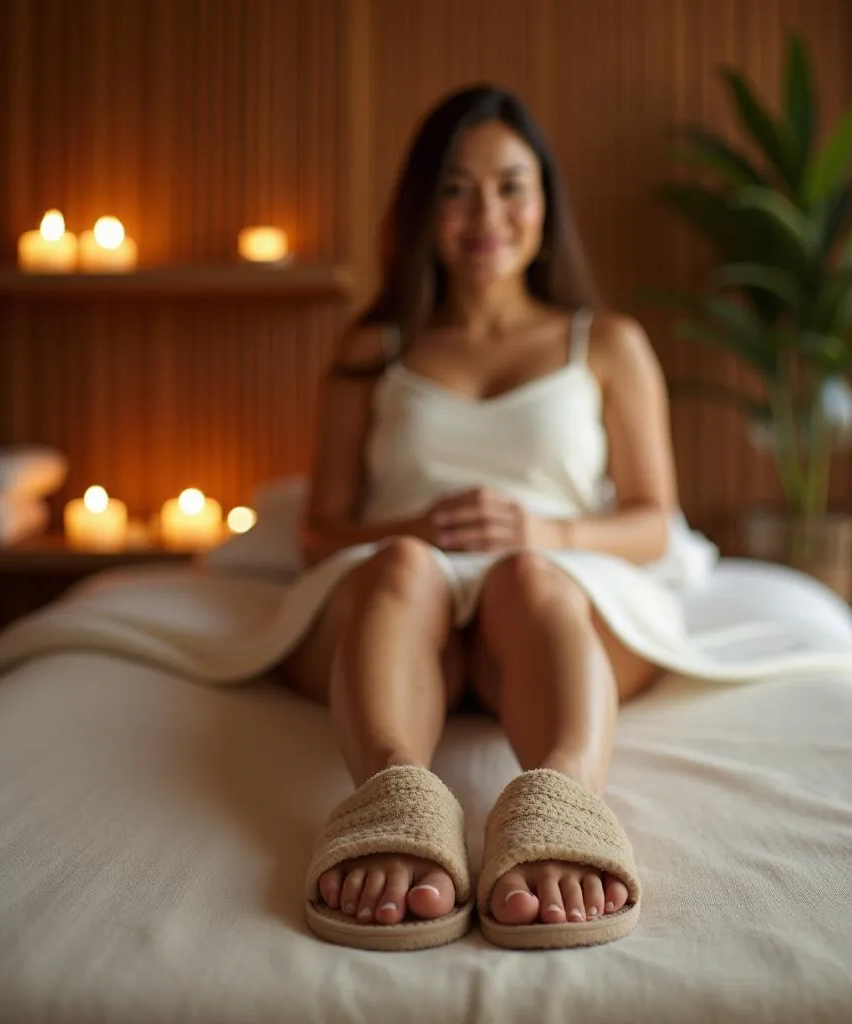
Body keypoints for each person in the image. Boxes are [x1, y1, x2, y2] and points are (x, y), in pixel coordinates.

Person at [286, 83, 678, 952]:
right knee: (399, 567)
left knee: (525, 577)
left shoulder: (605, 343)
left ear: (545, 202)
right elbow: (319, 528)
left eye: (510, 185)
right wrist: (412, 530)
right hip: (401, 599)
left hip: (546, 592)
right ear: (424, 208)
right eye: (457, 189)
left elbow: (655, 521)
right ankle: (394, 789)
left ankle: (565, 798)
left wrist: (549, 532)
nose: (486, 213)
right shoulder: (372, 347)